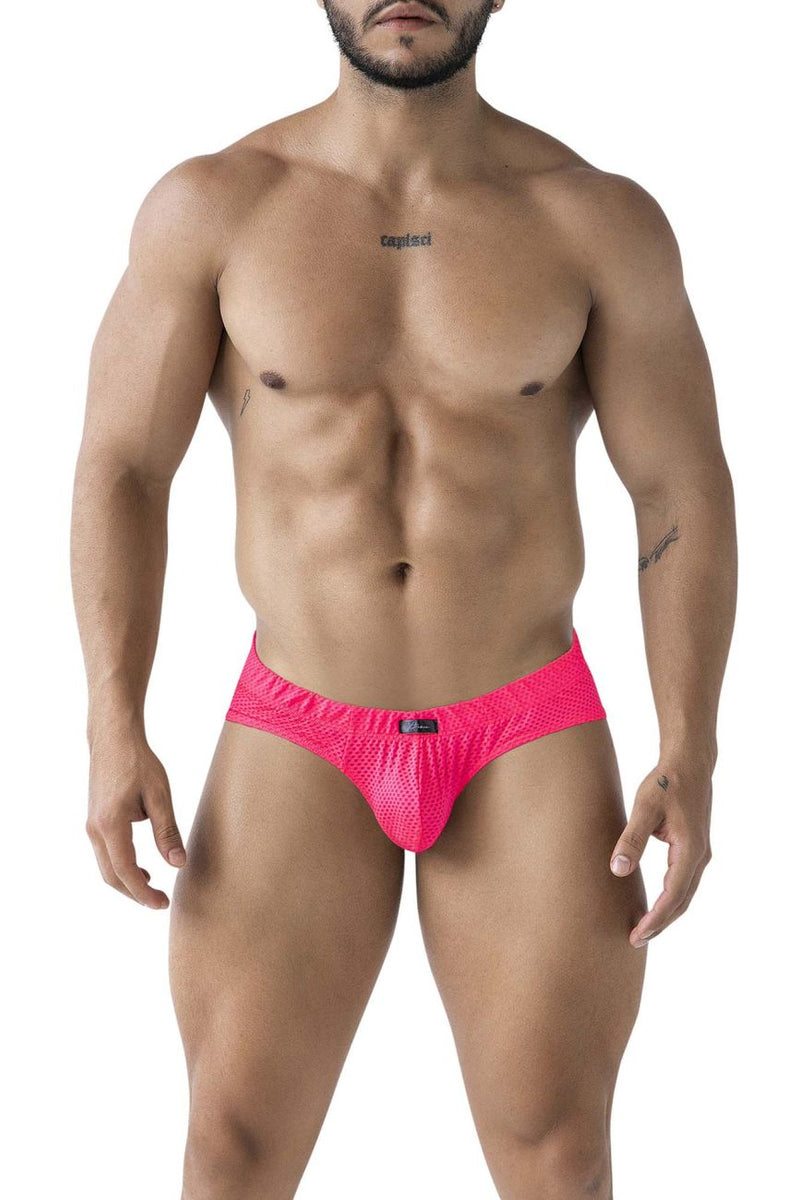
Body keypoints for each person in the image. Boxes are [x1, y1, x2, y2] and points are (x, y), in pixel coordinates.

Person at [69, 2, 738, 1196]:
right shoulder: (216, 206)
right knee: (233, 1149)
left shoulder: (593, 220)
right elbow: (123, 465)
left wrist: (690, 744)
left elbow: (675, 486)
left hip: (524, 726)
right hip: (300, 723)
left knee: (557, 1153)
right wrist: (111, 718)